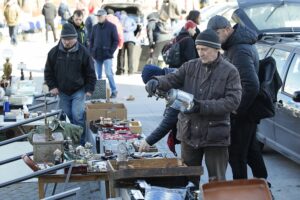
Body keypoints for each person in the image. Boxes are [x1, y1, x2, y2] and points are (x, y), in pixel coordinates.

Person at [145, 29, 242, 184]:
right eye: (198, 49)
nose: (201, 53)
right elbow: (172, 79)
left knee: (216, 182)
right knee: (187, 180)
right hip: (189, 133)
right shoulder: (190, 66)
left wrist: (200, 106)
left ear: (217, 49)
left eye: (205, 49)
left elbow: (232, 102)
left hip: (215, 136)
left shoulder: (230, 71)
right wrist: (157, 81)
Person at [207, 15, 269, 182]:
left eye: (217, 33)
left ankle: (240, 191)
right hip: (245, 110)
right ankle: (262, 184)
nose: (215, 38)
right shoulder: (233, 46)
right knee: (250, 150)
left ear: (228, 29)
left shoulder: (239, 50)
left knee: (237, 155)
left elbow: (250, 85)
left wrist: (236, 109)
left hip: (243, 111)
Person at [44, 23, 96, 144]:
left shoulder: (84, 52)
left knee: (77, 116)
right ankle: (68, 143)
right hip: (62, 91)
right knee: (65, 117)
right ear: (61, 38)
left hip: (79, 90)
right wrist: (52, 86)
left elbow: (91, 72)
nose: (67, 42)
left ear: (75, 38)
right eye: (64, 39)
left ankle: (80, 144)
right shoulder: (53, 52)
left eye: (69, 39)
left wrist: (90, 89)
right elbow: (48, 72)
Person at [139, 65, 179, 154]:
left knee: (190, 164)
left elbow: (170, 119)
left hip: (200, 132)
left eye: (156, 90)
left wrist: (148, 141)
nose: (158, 94)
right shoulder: (170, 77)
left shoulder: (175, 84)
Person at [90, 9, 118, 98]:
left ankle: (114, 90)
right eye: (98, 16)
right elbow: (91, 41)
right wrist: (91, 51)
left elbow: (116, 40)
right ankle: (99, 93)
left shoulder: (112, 26)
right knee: (98, 75)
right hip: (97, 54)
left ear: (105, 16)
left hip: (107, 54)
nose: (99, 18)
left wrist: (110, 51)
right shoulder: (95, 27)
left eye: (100, 16)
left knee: (108, 73)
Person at [117, 10, 137, 75]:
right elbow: (135, 26)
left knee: (121, 55)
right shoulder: (130, 19)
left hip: (121, 39)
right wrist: (129, 29)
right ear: (126, 14)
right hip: (130, 39)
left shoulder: (118, 19)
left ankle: (121, 71)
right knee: (130, 55)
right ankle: (130, 71)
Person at [106, 9, 124, 75]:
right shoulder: (117, 21)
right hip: (114, 42)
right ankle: (112, 71)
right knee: (114, 57)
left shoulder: (103, 20)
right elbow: (120, 34)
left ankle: (105, 72)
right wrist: (121, 44)